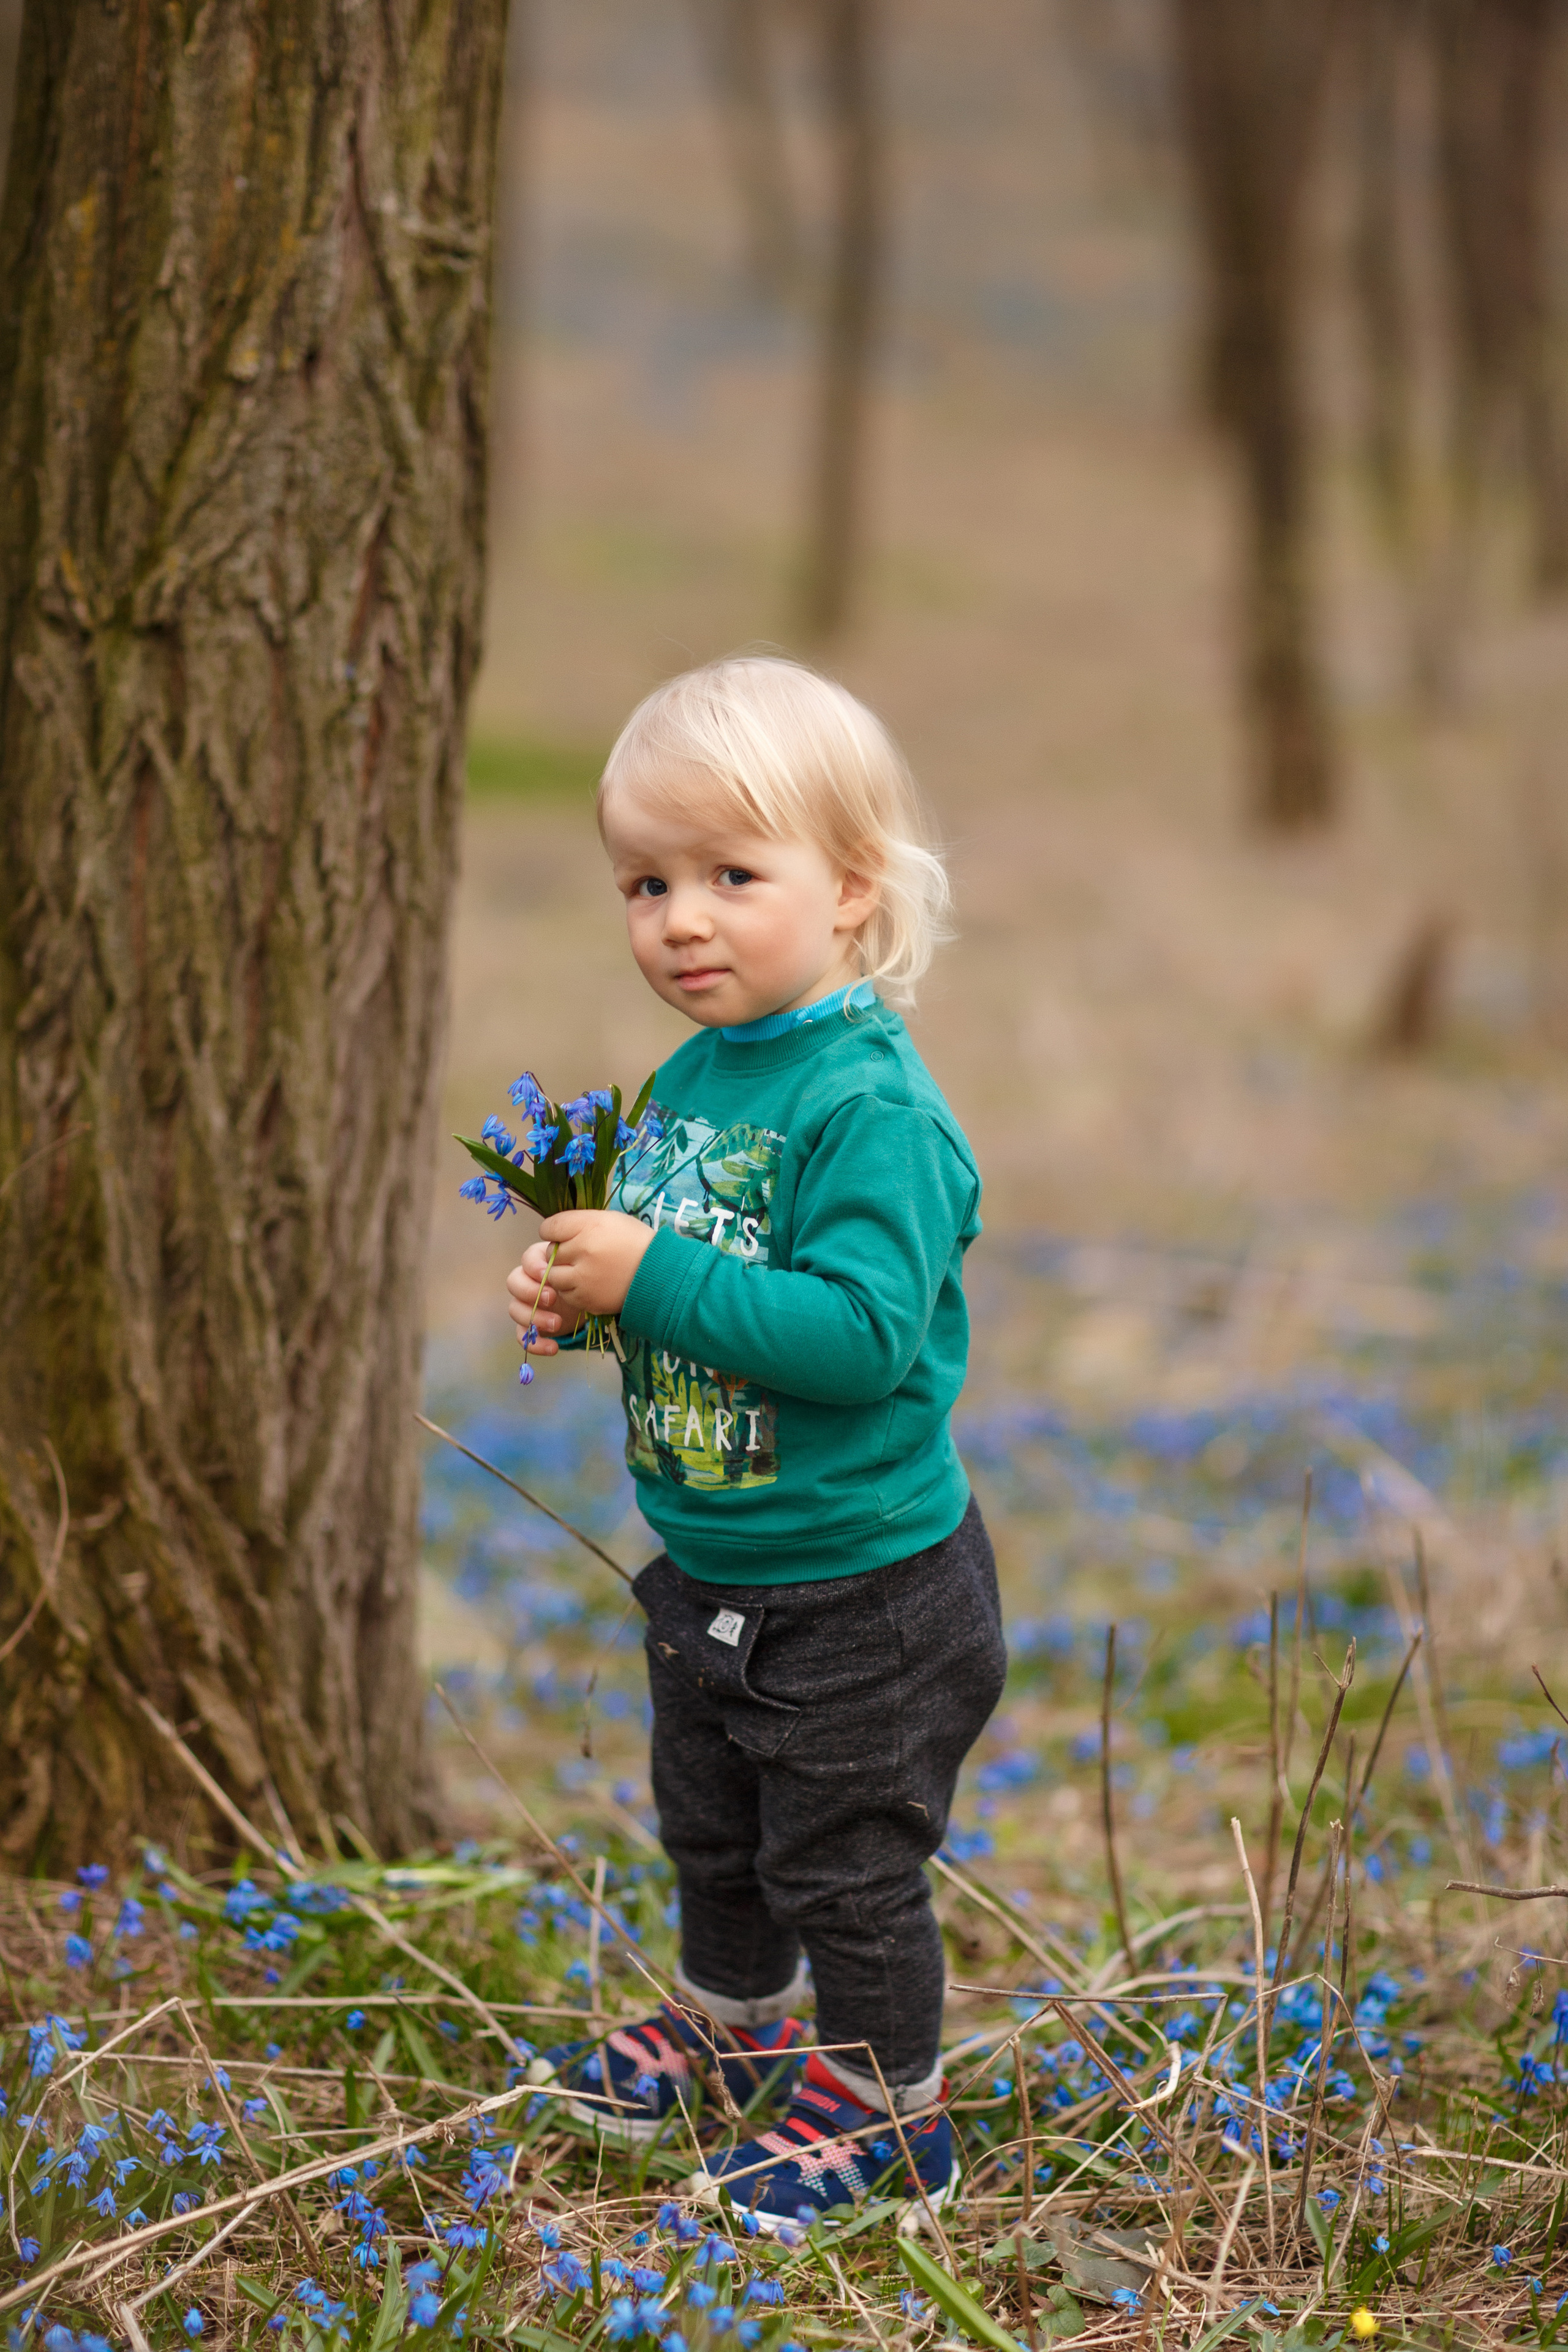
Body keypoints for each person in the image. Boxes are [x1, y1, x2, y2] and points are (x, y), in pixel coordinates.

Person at [506, 655, 1005, 2230]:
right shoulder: (697, 1077)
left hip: (861, 1591)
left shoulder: (869, 1108)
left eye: (732, 875)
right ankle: (734, 2029)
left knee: (841, 1869)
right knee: (713, 1834)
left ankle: (886, 2113)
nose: (681, 920)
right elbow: (705, 1288)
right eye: (645, 883)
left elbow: (857, 1338)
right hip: (712, 1564)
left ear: (851, 888)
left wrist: (651, 1272)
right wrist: (588, 1296)